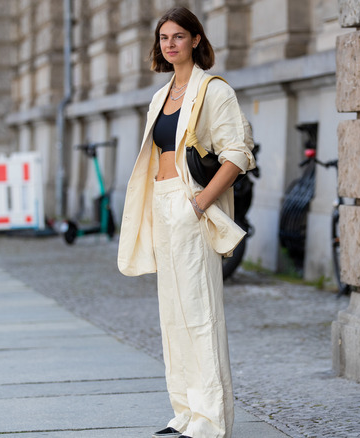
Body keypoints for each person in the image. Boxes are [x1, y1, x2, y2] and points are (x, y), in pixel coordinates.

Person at [117, 6, 256, 438]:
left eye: (179, 36)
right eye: (164, 38)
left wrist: (199, 204)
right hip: (161, 206)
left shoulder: (214, 91)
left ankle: (211, 419)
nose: (170, 44)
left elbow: (237, 153)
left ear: (196, 39)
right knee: (172, 316)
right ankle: (185, 413)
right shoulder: (161, 97)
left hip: (191, 204)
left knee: (200, 313)